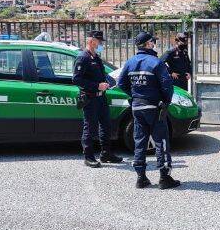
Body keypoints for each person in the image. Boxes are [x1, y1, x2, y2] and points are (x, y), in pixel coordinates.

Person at [118, 32, 180, 190]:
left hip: (137, 107)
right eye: (152, 41)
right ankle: (164, 177)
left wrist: (134, 96)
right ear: (147, 44)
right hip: (154, 107)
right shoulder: (156, 63)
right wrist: (166, 101)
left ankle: (141, 178)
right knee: (161, 141)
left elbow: (121, 84)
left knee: (140, 142)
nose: (154, 44)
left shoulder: (130, 62)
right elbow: (167, 86)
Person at [73, 30, 123, 168]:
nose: (101, 44)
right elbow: (76, 79)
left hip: (101, 98)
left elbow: (101, 76)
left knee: (106, 126)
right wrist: (97, 86)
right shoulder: (83, 58)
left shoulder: (96, 57)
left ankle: (106, 154)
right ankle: (88, 157)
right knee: (89, 127)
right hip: (90, 98)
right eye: (99, 41)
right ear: (91, 41)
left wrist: (109, 83)